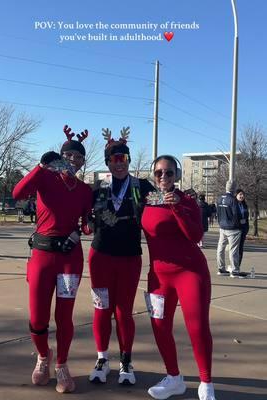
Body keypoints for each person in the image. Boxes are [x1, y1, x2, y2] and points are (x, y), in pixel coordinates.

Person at [13, 124, 92, 393]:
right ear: (60, 158)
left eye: (78, 158)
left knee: (65, 317)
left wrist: (89, 225)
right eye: (68, 156)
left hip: (70, 257)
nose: (73, 161)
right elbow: (17, 193)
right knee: (37, 317)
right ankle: (43, 356)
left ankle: (62, 364)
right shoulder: (45, 179)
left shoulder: (84, 189)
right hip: (42, 255)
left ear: (83, 162)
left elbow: (86, 221)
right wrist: (39, 166)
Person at [141, 155, 216, 400]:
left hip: (190, 273)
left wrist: (176, 208)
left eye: (169, 173)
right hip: (159, 277)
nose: (163, 177)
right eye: (159, 173)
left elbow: (195, 235)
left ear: (177, 176)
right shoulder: (148, 201)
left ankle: (206, 383)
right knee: (160, 327)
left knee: (197, 327)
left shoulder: (187, 201)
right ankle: (174, 378)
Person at [88, 127, 154, 385]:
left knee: (123, 311)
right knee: (102, 308)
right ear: (107, 162)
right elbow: (76, 209)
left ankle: (126, 360)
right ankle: (102, 358)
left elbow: (164, 206)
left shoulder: (142, 186)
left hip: (129, 257)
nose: (119, 164)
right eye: (114, 160)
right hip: (100, 255)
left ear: (128, 160)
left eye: (123, 159)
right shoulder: (98, 188)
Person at [216, 181, 247, 278]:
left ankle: (221, 268)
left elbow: (218, 213)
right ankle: (234, 270)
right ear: (233, 189)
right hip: (233, 228)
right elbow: (236, 214)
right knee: (233, 250)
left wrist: (220, 223)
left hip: (222, 227)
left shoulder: (219, 198)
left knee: (220, 248)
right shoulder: (232, 200)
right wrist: (238, 225)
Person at [236, 189, 249, 267]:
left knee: (240, 248)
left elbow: (246, 217)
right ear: (236, 195)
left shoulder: (244, 205)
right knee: (234, 249)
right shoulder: (234, 204)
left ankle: (238, 266)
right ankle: (233, 265)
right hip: (236, 229)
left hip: (243, 229)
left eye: (243, 194)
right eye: (240, 194)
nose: (242, 196)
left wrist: (246, 228)